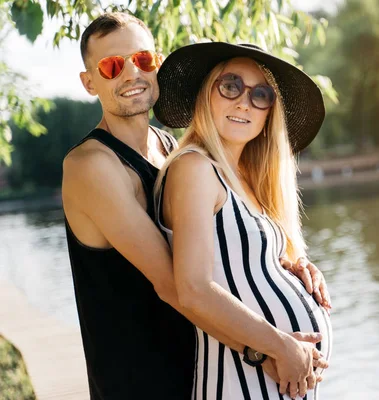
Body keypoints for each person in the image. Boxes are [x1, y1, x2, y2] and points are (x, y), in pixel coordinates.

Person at [62, 12, 331, 399]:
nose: (130, 75)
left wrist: (284, 264)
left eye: (141, 60)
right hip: (140, 380)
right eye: (111, 66)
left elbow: (220, 247)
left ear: (156, 62)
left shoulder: (170, 149)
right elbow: (174, 284)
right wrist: (268, 349)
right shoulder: (91, 166)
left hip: (197, 368)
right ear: (90, 82)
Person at [152, 42, 333, 400]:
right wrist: (281, 346)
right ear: (207, 93)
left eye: (261, 94)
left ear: (270, 112)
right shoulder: (195, 167)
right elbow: (193, 290)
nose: (243, 102)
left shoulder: (245, 178)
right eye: (231, 85)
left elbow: (242, 262)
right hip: (238, 385)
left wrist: (295, 268)